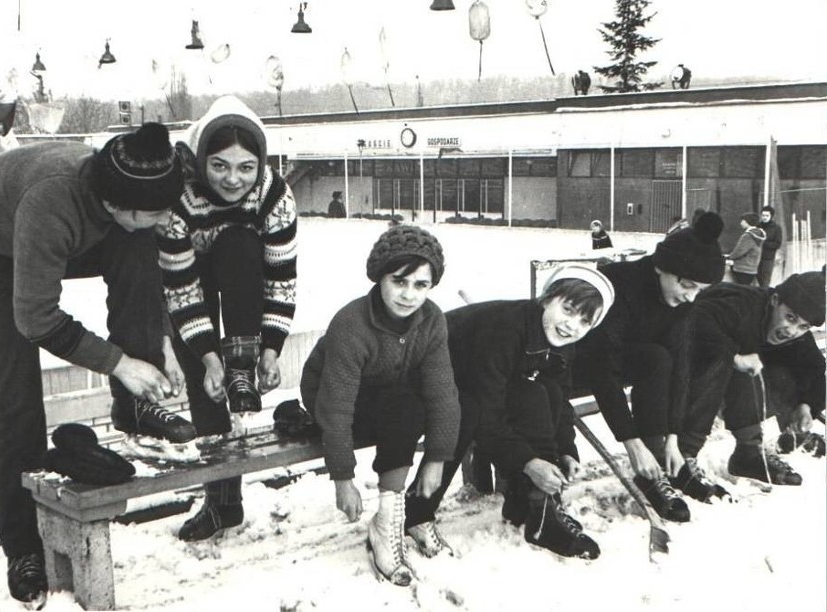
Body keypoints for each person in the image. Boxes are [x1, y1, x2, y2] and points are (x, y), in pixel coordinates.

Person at [0, 123, 190, 604]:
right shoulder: (51, 202)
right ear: (114, 205)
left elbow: (148, 269)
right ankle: (23, 547)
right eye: (156, 211)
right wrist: (120, 364)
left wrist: (159, 342)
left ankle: (133, 408)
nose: (165, 220)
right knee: (14, 404)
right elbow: (36, 318)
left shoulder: (128, 190)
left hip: (70, 230)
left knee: (139, 247)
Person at [156, 95, 298, 542]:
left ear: (261, 164)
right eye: (219, 166)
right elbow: (181, 289)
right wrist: (208, 358)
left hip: (243, 279)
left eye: (245, 168)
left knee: (239, 244)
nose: (232, 179)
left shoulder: (274, 196)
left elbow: (281, 280)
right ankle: (222, 504)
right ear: (202, 161)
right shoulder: (178, 196)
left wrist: (269, 351)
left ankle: (242, 367)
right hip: (185, 283)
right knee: (207, 389)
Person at [405, 265, 615, 560]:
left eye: (584, 322)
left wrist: (566, 451)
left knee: (540, 393)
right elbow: (489, 412)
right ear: (547, 298)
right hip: (416, 377)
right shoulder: (506, 329)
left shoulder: (561, 343)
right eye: (568, 310)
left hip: (471, 382)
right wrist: (529, 463)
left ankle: (531, 507)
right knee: (467, 413)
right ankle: (416, 515)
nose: (571, 325)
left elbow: (559, 400)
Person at [300, 225, 460, 586]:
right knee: (403, 406)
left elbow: (442, 391)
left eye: (421, 285)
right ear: (380, 277)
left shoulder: (432, 319)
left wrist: (436, 458)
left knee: (413, 404)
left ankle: (387, 521)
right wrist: (343, 479)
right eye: (399, 281)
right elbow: (336, 408)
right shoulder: (351, 324)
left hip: (391, 396)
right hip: (335, 401)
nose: (409, 295)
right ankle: (390, 525)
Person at [572, 212, 726, 522]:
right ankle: (649, 465)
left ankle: (658, 469)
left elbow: (680, 361)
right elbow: (602, 367)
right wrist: (631, 442)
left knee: (660, 358)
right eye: (687, 285)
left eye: (700, 290)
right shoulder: (619, 285)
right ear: (660, 268)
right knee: (654, 357)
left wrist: (672, 435)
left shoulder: (683, 299)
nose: (691, 297)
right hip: (575, 363)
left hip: (628, 360)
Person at [677, 269, 825, 491]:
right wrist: (733, 357)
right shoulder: (742, 305)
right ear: (775, 300)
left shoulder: (793, 333)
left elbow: (814, 367)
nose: (791, 330)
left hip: (718, 374)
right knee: (726, 362)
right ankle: (683, 456)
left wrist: (807, 405)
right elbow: (691, 320)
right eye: (790, 318)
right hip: (676, 361)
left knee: (783, 372)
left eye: (803, 326)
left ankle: (750, 454)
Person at [727, 212, 765, 286]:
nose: (741, 223)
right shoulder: (758, 234)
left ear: (748, 222)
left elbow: (739, 251)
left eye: (743, 221)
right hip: (752, 268)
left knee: (740, 290)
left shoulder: (748, 236)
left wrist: (729, 257)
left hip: (742, 268)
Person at [757, 205, 783, 287]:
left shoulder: (776, 228)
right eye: (763, 215)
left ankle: (765, 296)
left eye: (767, 216)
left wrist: (764, 243)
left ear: (771, 216)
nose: (764, 217)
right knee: (758, 278)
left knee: (765, 280)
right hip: (757, 257)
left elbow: (777, 244)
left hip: (768, 258)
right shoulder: (758, 226)